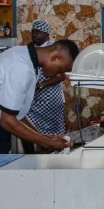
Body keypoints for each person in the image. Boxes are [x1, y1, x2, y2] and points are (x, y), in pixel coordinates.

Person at [0, 40, 78, 153]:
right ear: (55, 57)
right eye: (60, 69)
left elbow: (17, 114)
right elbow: (7, 121)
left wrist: (43, 137)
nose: (59, 74)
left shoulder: (23, 55)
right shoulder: (21, 67)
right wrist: (47, 143)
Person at [23, 21, 71, 154]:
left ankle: (53, 155)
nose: (34, 34)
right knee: (28, 127)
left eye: (37, 32)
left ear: (46, 35)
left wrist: (41, 85)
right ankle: (30, 156)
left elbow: (61, 77)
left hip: (51, 100)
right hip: (33, 100)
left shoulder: (53, 50)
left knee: (53, 131)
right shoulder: (29, 49)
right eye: (33, 31)